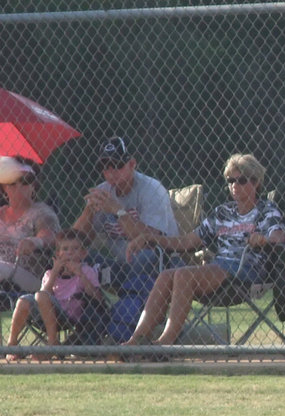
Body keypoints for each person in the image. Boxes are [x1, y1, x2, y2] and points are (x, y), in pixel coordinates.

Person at [122, 154, 285, 347]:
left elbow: (279, 236)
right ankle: (135, 341)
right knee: (167, 275)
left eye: (241, 180)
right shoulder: (223, 212)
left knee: (184, 275)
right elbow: (187, 242)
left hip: (246, 272)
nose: (235, 185)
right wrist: (151, 238)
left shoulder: (266, 210)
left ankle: (165, 343)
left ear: (256, 182)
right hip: (219, 268)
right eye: (231, 180)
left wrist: (264, 239)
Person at [71, 137, 180, 340]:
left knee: (142, 256)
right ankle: (89, 331)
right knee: (75, 258)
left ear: (132, 164)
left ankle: (123, 328)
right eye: (105, 167)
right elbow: (74, 242)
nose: (111, 173)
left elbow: (152, 241)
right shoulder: (103, 191)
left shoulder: (152, 189)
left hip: (158, 266)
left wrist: (119, 211)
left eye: (118, 165)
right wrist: (88, 213)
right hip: (120, 270)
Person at [6, 229, 103, 359]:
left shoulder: (87, 271)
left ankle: (52, 344)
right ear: (58, 254)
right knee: (23, 300)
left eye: (75, 249)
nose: (69, 253)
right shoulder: (50, 273)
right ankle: (11, 346)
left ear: (83, 253)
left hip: (68, 315)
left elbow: (97, 297)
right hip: (45, 315)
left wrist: (80, 274)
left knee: (41, 295)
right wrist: (55, 272)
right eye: (65, 249)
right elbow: (43, 294)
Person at [0, 156, 61, 293]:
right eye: (12, 183)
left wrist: (34, 241)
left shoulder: (42, 212)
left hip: (29, 275)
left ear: (34, 185)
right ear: (4, 188)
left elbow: (50, 236)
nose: (19, 187)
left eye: (26, 181)